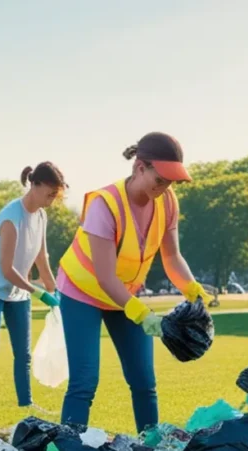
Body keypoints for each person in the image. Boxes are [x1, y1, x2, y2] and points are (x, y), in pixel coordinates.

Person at [57, 132, 211, 432]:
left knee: (144, 380)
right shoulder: (105, 204)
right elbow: (104, 276)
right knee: (85, 381)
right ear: (140, 167)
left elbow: (172, 257)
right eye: (161, 178)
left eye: (171, 181)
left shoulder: (167, 202)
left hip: (125, 293)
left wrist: (191, 288)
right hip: (82, 293)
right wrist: (141, 313)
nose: (166, 186)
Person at [0, 162, 64, 413]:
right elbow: (7, 269)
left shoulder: (41, 215)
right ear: (35, 185)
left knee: (24, 354)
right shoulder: (11, 217)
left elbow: (41, 258)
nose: (53, 199)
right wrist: (39, 292)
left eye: (56, 194)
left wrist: (54, 290)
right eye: (50, 193)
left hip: (18, 292)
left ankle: (26, 405)